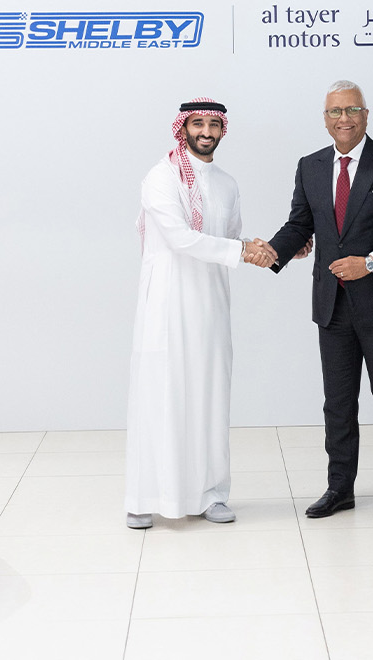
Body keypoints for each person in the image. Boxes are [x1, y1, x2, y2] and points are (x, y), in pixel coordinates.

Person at [267, 80, 373, 523]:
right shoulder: (310, 166)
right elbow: (300, 223)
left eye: (352, 110)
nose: (344, 118)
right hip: (332, 306)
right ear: (325, 119)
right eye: (335, 111)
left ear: (365, 115)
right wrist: (271, 251)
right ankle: (340, 489)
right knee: (338, 404)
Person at [125, 98, 288, 530]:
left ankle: (212, 494)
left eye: (213, 124)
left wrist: (275, 251)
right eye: (197, 123)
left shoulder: (228, 183)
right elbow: (181, 238)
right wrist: (242, 250)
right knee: (161, 394)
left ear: (222, 130)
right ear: (183, 128)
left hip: (211, 305)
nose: (205, 132)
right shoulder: (160, 177)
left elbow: (230, 240)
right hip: (167, 303)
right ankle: (143, 497)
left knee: (211, 396)